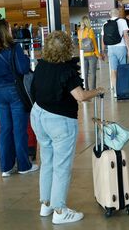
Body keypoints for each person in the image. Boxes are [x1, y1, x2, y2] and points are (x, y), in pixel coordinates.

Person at [30, 31, 103, 225]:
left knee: (47, 161)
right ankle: (60, 210)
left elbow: (33, 91)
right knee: (61, 166)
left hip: (38, 116)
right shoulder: (66, 71)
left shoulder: (41, 65)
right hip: (60, 122)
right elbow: (80, 96)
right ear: (67, 48)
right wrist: (98, 91)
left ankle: (46, 204)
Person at [0, 19, 39, 178]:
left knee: (5, 129)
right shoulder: (14, 48)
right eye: (9, 28)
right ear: (5, 31)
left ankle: (6, 167)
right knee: (19, 129)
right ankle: (23, 165)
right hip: (14, 91)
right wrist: (26, 57)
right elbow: (23, 69)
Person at [101, 8, 129, 97]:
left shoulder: (105, 23)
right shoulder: (122, 21)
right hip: (121, 48)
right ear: (118, 14)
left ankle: (115, 92)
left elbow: (103, 40)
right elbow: (126, 36)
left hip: (111, 49)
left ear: (110, 15)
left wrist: (103, 51)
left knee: (113, 71)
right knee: (123, 70)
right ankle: (124, 90)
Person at [77, 16, 99, 90]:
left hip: (83, 55)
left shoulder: (79, 31)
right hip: (91, 54)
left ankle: (86, 89)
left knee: (84, 74)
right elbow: (94, 43)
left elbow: (80, 44)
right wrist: (97, 54)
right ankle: (93, 90)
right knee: (93, 74)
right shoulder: (90, 30)